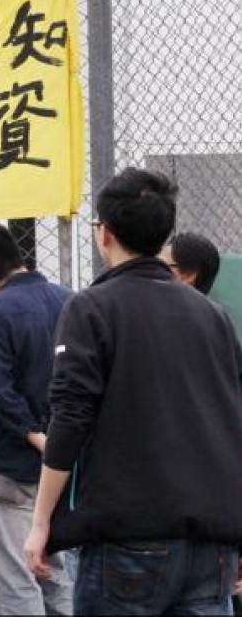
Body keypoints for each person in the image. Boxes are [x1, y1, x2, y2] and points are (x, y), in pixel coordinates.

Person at [25, 168, 242, 615]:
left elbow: (70, 416)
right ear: (165, 232)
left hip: (127, 538)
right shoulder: (213, 316)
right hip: (211, 539)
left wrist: (42, 518)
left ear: (104, 233)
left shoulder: (90, 308)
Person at [0, 219, 73, 615]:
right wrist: (58, 445)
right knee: (54, 573)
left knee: (12, 582)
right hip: (62, 466)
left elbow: (0, 394)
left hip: (9, 461)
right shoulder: (67, 300)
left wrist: (36, 437)